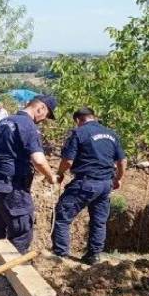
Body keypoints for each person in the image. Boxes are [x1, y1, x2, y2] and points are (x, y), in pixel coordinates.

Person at [51, 108, 126, 264]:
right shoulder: (111, 134)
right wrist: (118, 178)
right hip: (106, 184)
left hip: (86, 183)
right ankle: (93, 255)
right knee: (99, 221)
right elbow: (122, 161)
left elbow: (68, 161)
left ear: (78, 120)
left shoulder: (79, 133)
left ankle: (60, 256)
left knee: (62, 216)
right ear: (94, 117)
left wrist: (60, 173)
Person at [0, 95, 57, 253]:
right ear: (40, 108)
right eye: (46, 115)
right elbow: (38, 160)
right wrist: (51, 177)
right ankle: (13, 269)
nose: (44, 119)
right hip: (11, 186)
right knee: (22, 229)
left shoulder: (5, 121)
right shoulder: (28, 126)